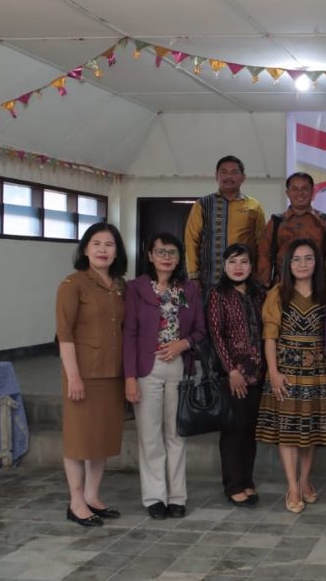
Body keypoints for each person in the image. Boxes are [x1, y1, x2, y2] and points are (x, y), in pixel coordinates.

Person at [257, 239, 326, 513]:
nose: (302, 264)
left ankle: (305, 480)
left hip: (319, 374)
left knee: (311, 431)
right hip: (287, 373)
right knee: (288, 433)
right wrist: (273, 372)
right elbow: (269, 336)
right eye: (296, 259)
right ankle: (292, 486)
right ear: (288, 264)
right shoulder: (277, 293)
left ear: (317, 262)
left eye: (308, 258)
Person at [124, 233, 206, 520]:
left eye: (172, 252)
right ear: (150, 255)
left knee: (176, 435)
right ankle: (154, 497)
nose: (167, 257)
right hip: (147, 369)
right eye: (161, 251)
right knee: (150, 437)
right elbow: (130, 334)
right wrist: (130, 377)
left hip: (179, 367)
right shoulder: (136, 288)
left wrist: (182, 344)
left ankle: (177, 497)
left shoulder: (188, 289)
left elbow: (200, 331)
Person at [56, 223, 128, 527]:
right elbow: (65, 335)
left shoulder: (120, 285)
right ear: (85, 249)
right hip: (83, 374)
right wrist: (73, 376)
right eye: (96, 243)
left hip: (113, 374)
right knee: (79, 440)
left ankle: (93, 496)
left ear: (117, 251)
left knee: (102, 438)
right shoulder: (73, 284)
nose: (102, 249)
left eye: (109, 244)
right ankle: (75, 502)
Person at [206, 244, 266, 507]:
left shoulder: (259, 294)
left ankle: (247, 481)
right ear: (224, 266)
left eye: (243, 261)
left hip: (258, 375)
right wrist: (231, 370)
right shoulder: (218, 294)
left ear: (251, 266)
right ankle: (233, 485)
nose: (238, 267)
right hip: (232, 375)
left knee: (250, 431)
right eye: (233, 262)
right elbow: (216, 336)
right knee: (233, 431)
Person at [185, 155, 266, 292]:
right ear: (216, 176)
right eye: (224, 172)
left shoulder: (254, 206)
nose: (229, 177)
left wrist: (260, 276)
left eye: (234, 172)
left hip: (244, 281)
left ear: (243, 177)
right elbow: (191, 240)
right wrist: (193, 276)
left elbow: (262, 243)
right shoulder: (202, 205)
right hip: (209, 280)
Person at [257, 172, 326, 287]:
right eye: (295, 189)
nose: (300, 193)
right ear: (287, 193)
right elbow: (264, 254)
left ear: (313, 192)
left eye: (305, 188)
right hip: (282, 286)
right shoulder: (276, 222)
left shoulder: (324, 222)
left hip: (316, 287)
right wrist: (265, 284)